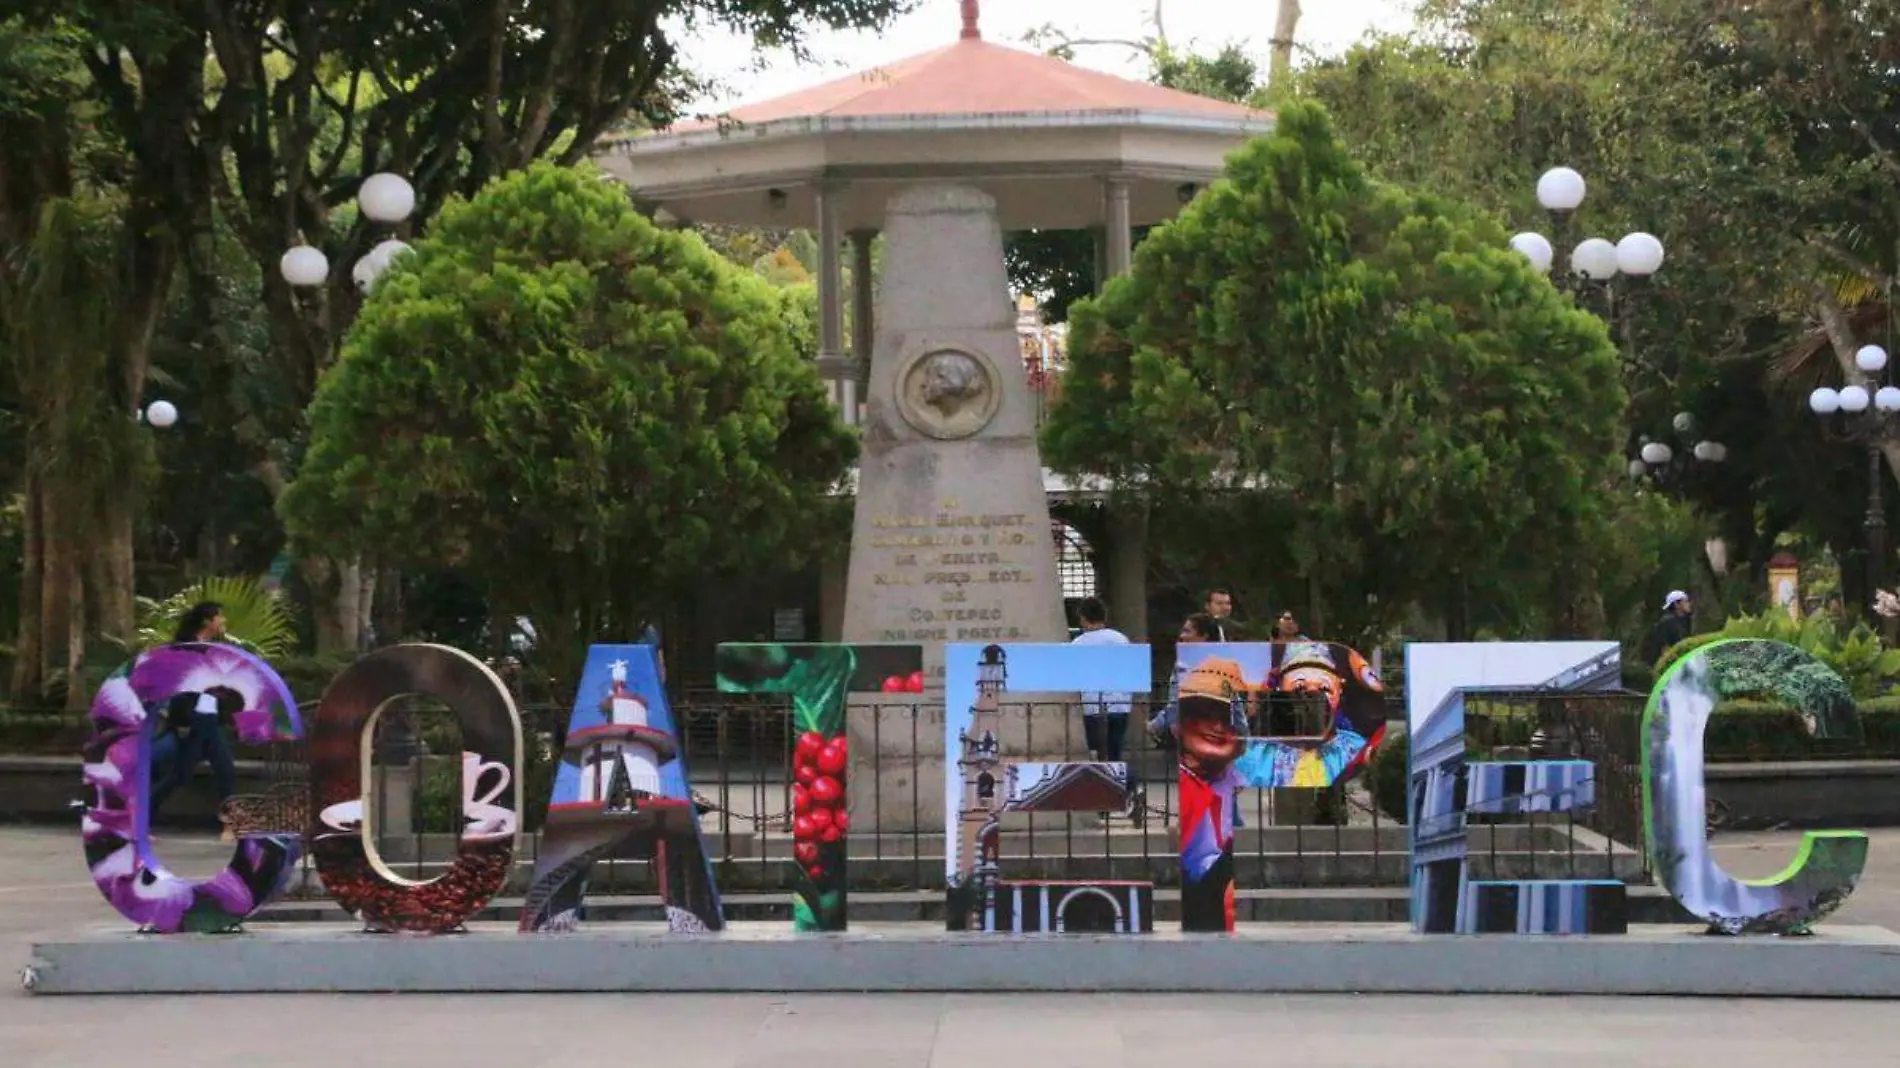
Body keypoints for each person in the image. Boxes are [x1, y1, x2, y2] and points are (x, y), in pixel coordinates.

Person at [150, 602, 238, 816]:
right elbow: (180, 684)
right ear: (207, 621)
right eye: (219, 617)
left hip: (207, 715)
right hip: (195, 716)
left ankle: (142, 812)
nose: (223, 621)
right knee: (224, 768)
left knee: (182, 772)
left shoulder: (210, 648)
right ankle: (233, 823)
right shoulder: (186, 649)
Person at [1070, 598, 1132, 761]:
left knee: (1096, 752)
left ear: (1083, 617)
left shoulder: (1078, 643)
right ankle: (1119, 782)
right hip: (1120, 703)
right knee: (1115, 750)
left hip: (1092, 705)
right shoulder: (1121, 639)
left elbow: (1073, 675)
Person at [1643, 590, 1695, 664]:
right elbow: (1664, 647)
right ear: (1677, 604)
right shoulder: (1667, 621)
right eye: (1685, 601)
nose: (1689, 604)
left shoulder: (1685, 620)